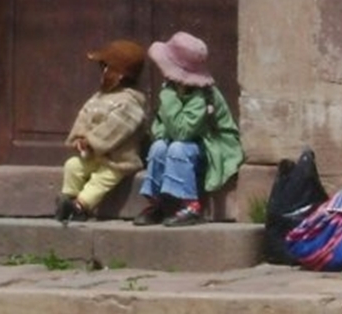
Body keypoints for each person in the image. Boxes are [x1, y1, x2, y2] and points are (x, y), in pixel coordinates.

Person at [134, 31, 244, 227]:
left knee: (178, 147)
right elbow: (160, 126)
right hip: (183, 144)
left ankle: (191, 205)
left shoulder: (200, 96)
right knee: (158, 147)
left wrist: (168, 98)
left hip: (211, 148)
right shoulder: (173, 87)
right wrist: (162, 135)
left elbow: (183, 132)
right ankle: (159, 202)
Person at [55, 39, 149, 225]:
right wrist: (80, 136)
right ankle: (67, 198)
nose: (103, 72)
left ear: (119, 74)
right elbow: (85, 114)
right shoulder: (100, 97)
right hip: (93, 156)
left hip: (118, 160)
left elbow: (114, 129)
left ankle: (81, 206)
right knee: (73, 165)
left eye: (106, 68)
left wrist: (92, 141)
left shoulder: (130, 103)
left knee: (102, 179)